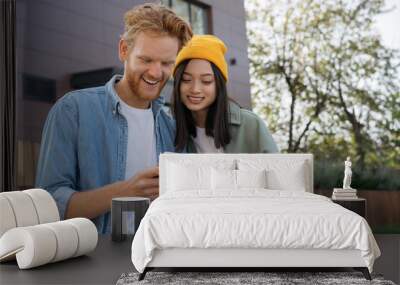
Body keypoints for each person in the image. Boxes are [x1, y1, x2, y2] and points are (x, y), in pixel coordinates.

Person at [35, 4, 192, 234]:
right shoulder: (73, 110)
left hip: (156, 258)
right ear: (123, 50)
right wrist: (125, 191)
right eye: (146, 60)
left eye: (166, 63)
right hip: (92, 264)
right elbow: (48, 206)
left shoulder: (173, 128)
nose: (156, 73)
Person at [171, 35, 278, 153]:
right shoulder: (171, 130)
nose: (195, 89)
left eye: (206, 81)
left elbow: (277, 169)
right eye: (186, 80)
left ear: (219, 85)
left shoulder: (250, 125)